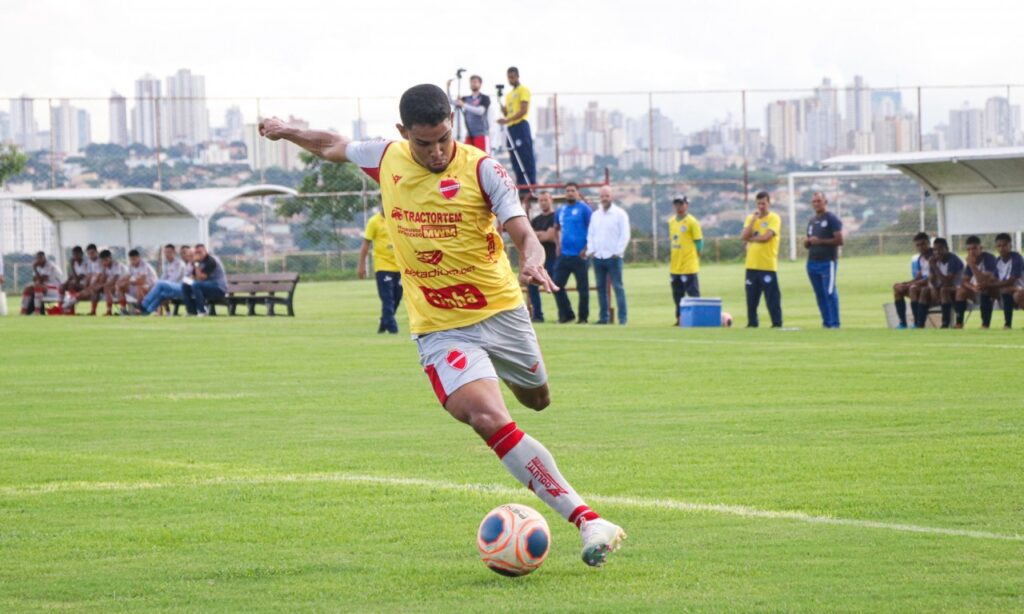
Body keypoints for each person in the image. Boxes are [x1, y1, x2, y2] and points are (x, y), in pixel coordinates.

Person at [258, 83, 625, 567]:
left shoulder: (482, 169)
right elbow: (331, 145)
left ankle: (517, 385)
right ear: (402, 133)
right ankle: (588, 520)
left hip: (501, 310)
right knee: (487, 418)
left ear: (453, 124)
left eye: (443, 139)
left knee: (538, 399)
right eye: (423, 142)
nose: (435, 152)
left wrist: (534, 260)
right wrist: (287, 131)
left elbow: (523, 232)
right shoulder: (385, 158)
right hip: (441, 327)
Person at [586, 185, 630, 325]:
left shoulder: (620, 214)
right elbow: (591, 234)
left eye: (607, 196)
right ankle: (604, 317)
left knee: (618, 287)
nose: (604, 198)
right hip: (598, 257)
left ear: (612, 197)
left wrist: (617, 252)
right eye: (602, 196)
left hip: (613, 258)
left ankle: (622, 318)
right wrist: (592, 251)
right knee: (601, 288)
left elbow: (625, 235)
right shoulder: (595, 215)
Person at [740, 191, 783, 328]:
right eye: (758, 203)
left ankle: (776, 323)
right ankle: (752, 323)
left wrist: (751, 239)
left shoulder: (774, 218)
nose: (761, 206)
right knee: (751, 298)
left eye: (763, 203)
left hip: (767, 265)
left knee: (772, 297)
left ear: (769, 203)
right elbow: (743, 236)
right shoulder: (751, 218)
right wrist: (753, 221)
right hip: (752, 265)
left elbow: (766, 237)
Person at [552, 182, 592, 324]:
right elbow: (556, 228)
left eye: (572, 190)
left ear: (578, 193)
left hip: (580, 255)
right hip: (564, 255)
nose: (570, 193)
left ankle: (583, 318)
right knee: (556, 285)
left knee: (583, 288)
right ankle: (566, 315)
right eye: (567, 190)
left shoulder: (584, 209)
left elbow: (592, 229)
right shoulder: (560, 211)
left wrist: (587, 248)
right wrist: (557, 245)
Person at [803, 192, 844, 328]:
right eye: (814, 201)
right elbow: (809, 242)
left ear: (825, 201)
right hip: (812, 262)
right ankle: (826, 322)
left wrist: (820, 241)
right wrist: (807, 242)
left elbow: (839, 240)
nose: (816, 204)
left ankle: (835, 323)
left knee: (830, 292)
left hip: (828, 262)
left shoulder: (831, 219)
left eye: (819, 201)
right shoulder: (812, 221)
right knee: (819, 294)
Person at [359, 209, 402, 334]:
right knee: (387, 298)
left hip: (398, 266)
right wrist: (361, 265)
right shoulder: (374, 222)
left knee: (397, 297)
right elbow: (366, 244)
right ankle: (393, 329)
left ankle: (384, 322)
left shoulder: (398, 219)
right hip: (383, 266)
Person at [497, 67, 536, 192]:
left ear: (518, 76)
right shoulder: (508, 95)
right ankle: (521, 185)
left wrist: (507, 120)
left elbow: (523, 110)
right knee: (514, 157)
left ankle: (531, 184)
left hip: (520, 126)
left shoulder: (523, 90)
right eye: (509, 77)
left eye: (513, 77)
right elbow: (508, 112)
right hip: (511, 128)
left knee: (525, 155)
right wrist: (504, 111)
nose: (511, 79)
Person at [668, 195, 703, 324]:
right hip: (675, 265)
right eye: (676, 204)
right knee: (677, 295)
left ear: (686, 205)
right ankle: (680, 319)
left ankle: (698, 318)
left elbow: (699, 242)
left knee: (693, 294)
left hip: (689, 265)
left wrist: (695, 257)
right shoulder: (671, 221)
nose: (678, 206)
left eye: (681, 204)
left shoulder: (692, 222)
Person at [955, 235, 999, 329]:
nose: (971, 251)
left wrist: (973, 265)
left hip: (992, 291)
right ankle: (959, 323)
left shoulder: (989, 258)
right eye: (969, 249)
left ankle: (985, 324)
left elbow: (984, 280)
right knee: (961, 291)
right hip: (977, 290)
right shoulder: (971, 262)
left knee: (984, 288)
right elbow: (964, 281)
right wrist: (972, 287)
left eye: (974, 248)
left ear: (981, 248)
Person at [528, 191, 558, 323]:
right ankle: (538, 315)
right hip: (538, 260)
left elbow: (550, 236)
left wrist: (538, 235)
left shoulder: (555, 217)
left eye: (546, 199)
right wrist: (542, 234)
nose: (543, 202)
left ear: (551, 200)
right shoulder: (536, 220)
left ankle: (564, 314)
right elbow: (530, 238)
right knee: (532, 286)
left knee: (555, 286)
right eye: (541, 200)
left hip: (552, 257)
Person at [892, 232, 933, 329]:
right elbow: (919, 277)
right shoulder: (920, 258)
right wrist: (906, 283)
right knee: (897, 288)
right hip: (921, 286)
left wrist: (909, 285)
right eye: (918, 245)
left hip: (932, 288)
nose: (920, 247)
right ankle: (902, 323)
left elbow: (929, 279)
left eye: (923, 244)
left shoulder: (934, 256)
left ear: (928, 243)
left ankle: (916, 322)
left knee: (913, 289)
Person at [920, 238, 964, 329]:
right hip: (941, 289)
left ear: (947, 248)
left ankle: (945, 323)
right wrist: (933, 288)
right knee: (924, 290)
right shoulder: (934, 260)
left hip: (957, 288)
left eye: (940, 249)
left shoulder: (953, 259)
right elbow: (932, 280)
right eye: (935, 250)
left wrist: (934, 266)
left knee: (944, 290)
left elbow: (947, 282)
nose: (937, 252)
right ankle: (919, 324)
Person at [141, 244, 191, 315]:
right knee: (161, 294)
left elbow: (175, 279)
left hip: (180, 288)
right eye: (166, 252)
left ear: (174, 252)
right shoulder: (168, 265)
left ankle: (144, 304)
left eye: (169, 252)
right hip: (172, 289)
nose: (167, 254)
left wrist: (163, 284)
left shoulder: (180, 264)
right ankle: (147, 311)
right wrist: (155, 285)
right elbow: (162, 278)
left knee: (161, 285)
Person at [447, 74, 490, 153]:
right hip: (469, 134)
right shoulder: (466, 98)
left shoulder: (484, 98)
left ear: (480, 84)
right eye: (471, 82)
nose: (473, 84)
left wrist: (464, 105)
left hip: (481, 134)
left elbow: (480, 111)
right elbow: (451, 102)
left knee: (482, 156)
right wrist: (448, 88)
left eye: (475, 82)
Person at [181, 244, 227, 316]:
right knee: (185, 285)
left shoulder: (211, 260)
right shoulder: (199, 262)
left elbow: (201, 278)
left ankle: (202, 310)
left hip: (218, 288)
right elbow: (194, 277)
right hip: (207, 286)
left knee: (196, 285)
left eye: (200, 252)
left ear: (205, 251)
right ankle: (191, 311)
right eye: (197, 252)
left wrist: (196, 263)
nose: (198, 254)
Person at [992, 232, 1024, 329]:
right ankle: (985, 323)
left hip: (1020, 288)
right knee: (987, 292)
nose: (1001, 248)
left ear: (1010, 246)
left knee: (1015, 294)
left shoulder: (1017, 258)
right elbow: (994, 278)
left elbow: (1011, 280)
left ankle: (1007, 324)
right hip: (1008, 290)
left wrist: (990, 285)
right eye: (999, 246)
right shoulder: (997, 261)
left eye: (1004, 245)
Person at [117, 249, 157, 315]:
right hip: (140, 287)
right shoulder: (131, 266)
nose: (133, 261)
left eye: (134, 259)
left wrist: (127, 282)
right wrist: (120, 283)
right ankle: (123, 309)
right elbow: (127, 277)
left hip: (151, 288)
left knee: (139, 287)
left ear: (139, 258)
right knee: (120, 287)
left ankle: (139, 309)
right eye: (131, 259)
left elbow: (141, 281)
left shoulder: (144, 265)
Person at [95, 250, 129, 316]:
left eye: (106, 260)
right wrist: (103, 271)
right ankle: (109, 310)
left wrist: (102, 285)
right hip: (117, 286)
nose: (104, 262)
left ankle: (121, 309)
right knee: (105, 288)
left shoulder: (117, 265)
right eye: (102, 261)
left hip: (126, 285)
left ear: (110, 258)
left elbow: (115, 280)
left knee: (108, 287)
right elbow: (102, 280)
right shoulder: (106, 267)